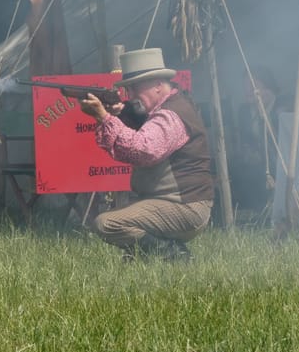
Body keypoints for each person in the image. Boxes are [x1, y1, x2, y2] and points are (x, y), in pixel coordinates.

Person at [78, 48, 213, 261]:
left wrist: (104, 117)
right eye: (128, 89)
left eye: (135, 88)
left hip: (184, 206)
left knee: (107, 224)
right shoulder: (168, 107)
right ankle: (151, 255)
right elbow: (141, 128)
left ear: (158, 84)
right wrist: (118, 114)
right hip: (173, 202)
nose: (130, 95)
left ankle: (173, 255)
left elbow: (143, 150)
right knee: (122, 230)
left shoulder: (170, 115)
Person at [229, 66, 287, 215]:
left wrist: (264, 112)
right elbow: (245, 141)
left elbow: (281, 141)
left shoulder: (282, 107)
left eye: (253, 85)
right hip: (256, 162)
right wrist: (249, 152)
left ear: (267, 87)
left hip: (279, 160)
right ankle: (252, 211)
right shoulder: (244, 111)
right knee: (237, 169)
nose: (247, 90)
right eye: (245, 86)